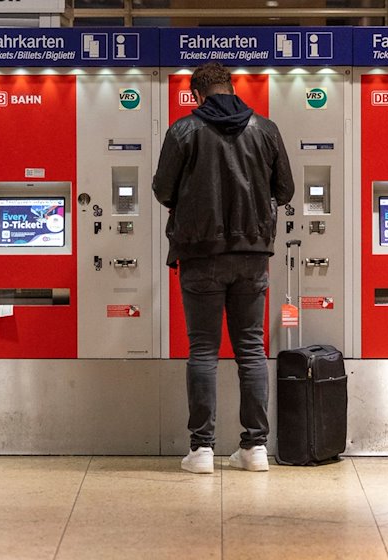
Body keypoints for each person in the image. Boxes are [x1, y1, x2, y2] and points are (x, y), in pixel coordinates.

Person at [153, 62, 294, 474]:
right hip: (252, 255)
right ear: (231, 88)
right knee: (251, 349)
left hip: (200, 255)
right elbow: (284, 190)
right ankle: (255, 449)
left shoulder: (183, 131)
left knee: (203, 350)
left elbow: (163, 190)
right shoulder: (265, 130)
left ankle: (201, 450)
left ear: (196, 95)